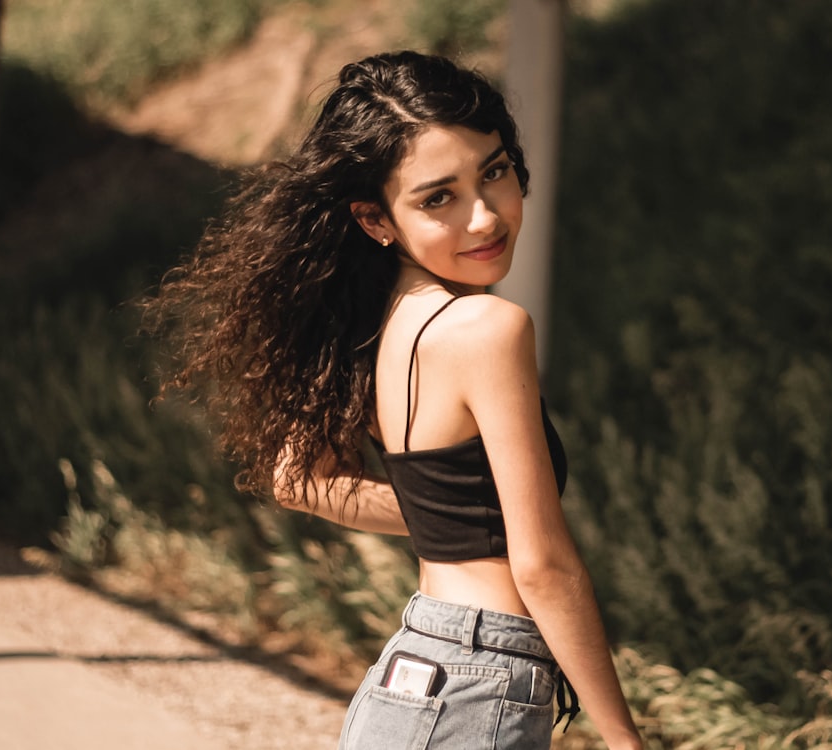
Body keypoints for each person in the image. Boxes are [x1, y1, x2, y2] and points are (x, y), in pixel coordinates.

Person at [148, 50, 643, 750]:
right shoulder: (486, 329)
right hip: (477, 684)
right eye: (438, 197)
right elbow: (544, 565)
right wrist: (623, 736)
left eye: (494, 172)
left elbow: (296, 479)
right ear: (376, 219)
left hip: (414, 674)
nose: (484, 218)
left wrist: (448, 522)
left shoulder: (371, 327)